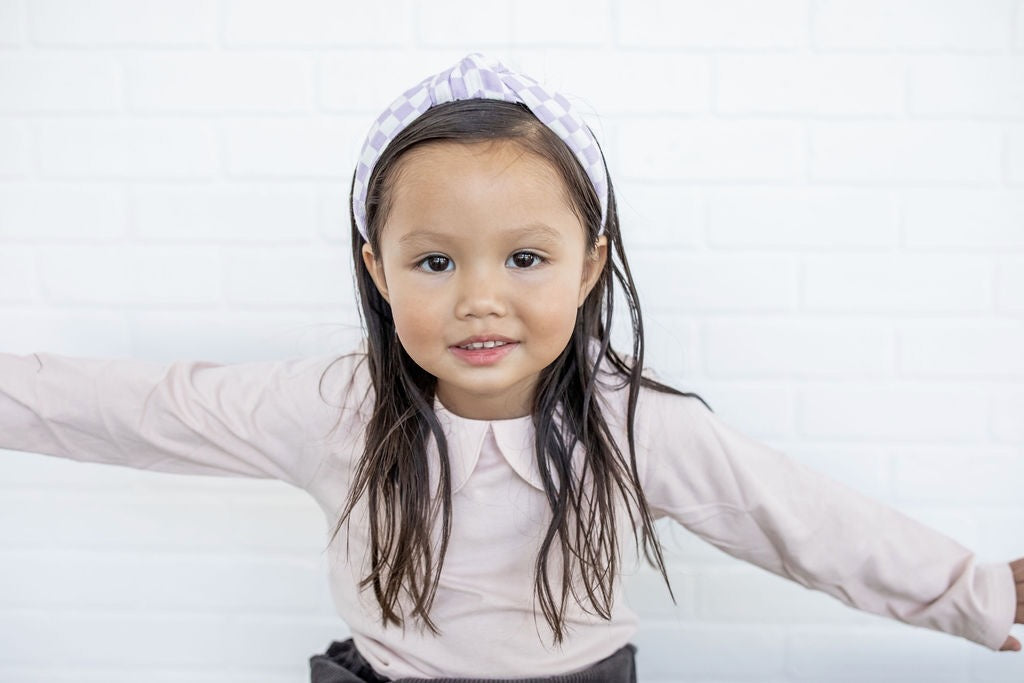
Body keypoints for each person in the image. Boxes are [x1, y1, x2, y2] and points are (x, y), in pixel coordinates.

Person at [0, 53, 1021, 683]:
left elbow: (801, 521)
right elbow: (133, 409)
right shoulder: (333, 406)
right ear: (378, 268)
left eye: (522, 258)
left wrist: (979, 591)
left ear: (586, 263)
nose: (479, 297)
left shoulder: (632, 427)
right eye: (435, 261)